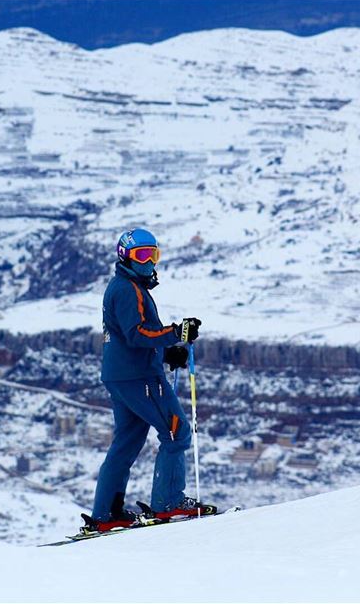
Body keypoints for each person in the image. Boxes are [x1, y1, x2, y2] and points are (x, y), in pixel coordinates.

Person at [85, 228, 209, 532]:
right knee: (176, 433)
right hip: (140, 378)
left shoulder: (126, 287)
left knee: (126, 443)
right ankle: (168, 503)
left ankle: (106, 513)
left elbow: (131, 335)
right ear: (125, 257)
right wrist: (175, 334)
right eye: (142, 256)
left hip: (123, 375)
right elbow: (136, 333)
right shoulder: (127, 289)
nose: (150, 263)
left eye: (153, 255)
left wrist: (167, 353)